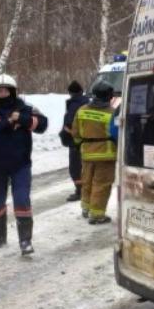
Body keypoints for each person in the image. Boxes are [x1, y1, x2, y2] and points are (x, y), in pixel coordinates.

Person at [0, 74, 48, 255]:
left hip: (20, 164)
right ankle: (0, 236)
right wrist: (7, 123)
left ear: (12, 91)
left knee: (22, 200)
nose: (2, 93)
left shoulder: (25, 107)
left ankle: (25, 240)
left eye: (6, 90)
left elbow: (43, 124)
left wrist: (23, 119)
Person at [72, 80, 118, 225]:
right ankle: (97, 215)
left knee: (87, 181)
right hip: (106, 155)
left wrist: (81, 145)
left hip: (86, 153)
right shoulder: (112, 113)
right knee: (102, 184)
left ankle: (86, 208)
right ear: (108, 97)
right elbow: (117, 134)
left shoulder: (82, 110)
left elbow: (76, 132)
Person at [61, 81, 90, 204]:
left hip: (75, 141)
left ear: (71, 92)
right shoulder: (88, 102)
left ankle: (80, 191)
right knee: (85, 166)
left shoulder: (74, 104)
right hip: (88, 139)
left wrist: (67, 131)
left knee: (75, 168)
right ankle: (86, 189)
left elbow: (69, 123)